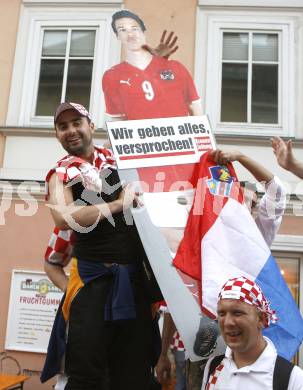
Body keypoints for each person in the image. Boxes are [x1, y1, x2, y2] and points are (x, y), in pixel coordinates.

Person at [102, 9, 203, 390]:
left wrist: (202, 162)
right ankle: (173, 348)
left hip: (183, 178)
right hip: (148, 182)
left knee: (187, 258)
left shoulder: (175, 70)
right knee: (165, 259)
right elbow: (117, 129)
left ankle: (198, 344)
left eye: (133, 28)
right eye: (121, 30)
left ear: (143, 31)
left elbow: (196, 116)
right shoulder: (113, 77)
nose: (128, 34)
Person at [41, 101, 160, 390]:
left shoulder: (121, 161)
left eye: (76, 123)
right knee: (87, 375)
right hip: (93, 285)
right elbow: (64, 217)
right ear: (57, 135)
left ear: (91, 126)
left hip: (134, 284)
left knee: (136, 375)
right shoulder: (61, 173)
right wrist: (119, 204)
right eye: (62, 126)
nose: (70, 130)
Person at [157, 149, 286, 390]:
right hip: (193, 349)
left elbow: (277, 193)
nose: (238, 206)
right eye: (234, 198)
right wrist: (164, 353)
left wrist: (242, 158)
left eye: (248, 202)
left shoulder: (256, 238)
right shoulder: (200, 240)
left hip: (244, 343)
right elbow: (173, 306)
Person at [202, 275, 303, 389]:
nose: (227, 322)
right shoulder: (213, 365)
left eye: (237, 313)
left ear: (261, 319)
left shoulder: (292, 379)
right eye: (222, 313)